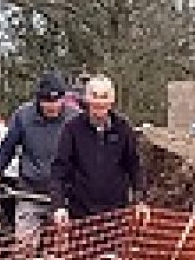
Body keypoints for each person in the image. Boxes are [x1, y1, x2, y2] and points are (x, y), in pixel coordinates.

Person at [50, 74, 149, 224]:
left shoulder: (123, 128)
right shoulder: (72, 129)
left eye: (104, 97)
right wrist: (59, 206)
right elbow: (59, 170)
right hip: (80, 214)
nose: (99, 102)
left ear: (112, 100)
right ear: (87, 99)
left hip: (116, 214)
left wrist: (140, 200)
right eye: (95, 96)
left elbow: (134, 166)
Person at [0, 71, 78, 240]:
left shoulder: (75, 118)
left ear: (64, 98)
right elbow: (7, 149)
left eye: (57, 100)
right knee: (24, 246)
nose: (52, 106)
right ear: (38, 99)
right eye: (47, 101)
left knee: (63, 249)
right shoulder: (22, 116)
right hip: (29, 193)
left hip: (63, 196)